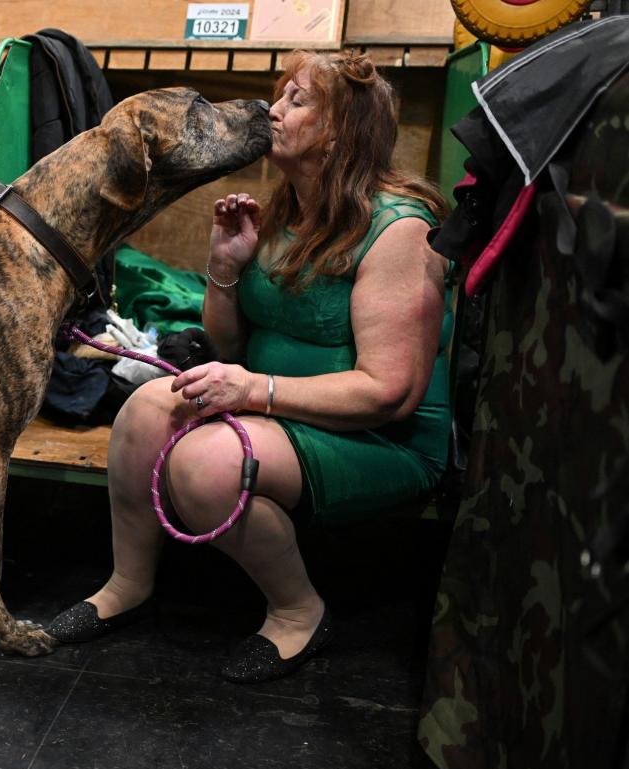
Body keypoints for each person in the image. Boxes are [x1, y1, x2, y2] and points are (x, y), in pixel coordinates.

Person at [47, 49, 452, 683]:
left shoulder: (400, 229)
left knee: (205, 466)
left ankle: (298, 612)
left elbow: (389, 392)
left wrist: (254, 390)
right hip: (282, 409)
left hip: (380, 437)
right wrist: (226, 270)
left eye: (297, 100)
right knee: (143, 412)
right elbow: (228, 347)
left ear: (341, 130)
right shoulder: (289, 208)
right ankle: (128, 583)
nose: (274, 109)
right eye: (280, 94)